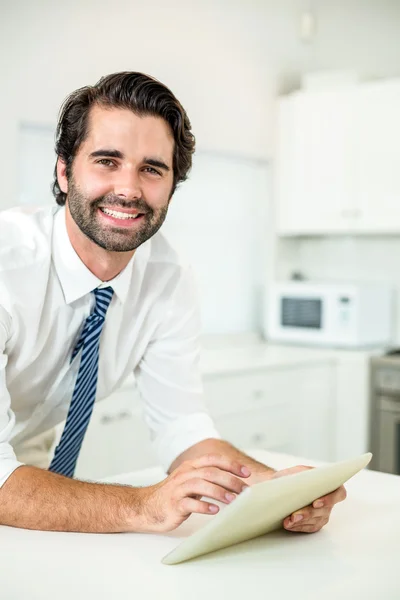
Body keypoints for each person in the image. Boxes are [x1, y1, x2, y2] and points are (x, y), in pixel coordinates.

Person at [0, 72, 346, 534]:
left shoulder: (169, 277)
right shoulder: (8, 265)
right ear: (64, 172)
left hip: (23, 463)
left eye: (152, 168)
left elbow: (182, 426)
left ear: (172, 186)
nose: (129, 189)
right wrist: (146, 506)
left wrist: (274, 490)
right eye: (107, 160)